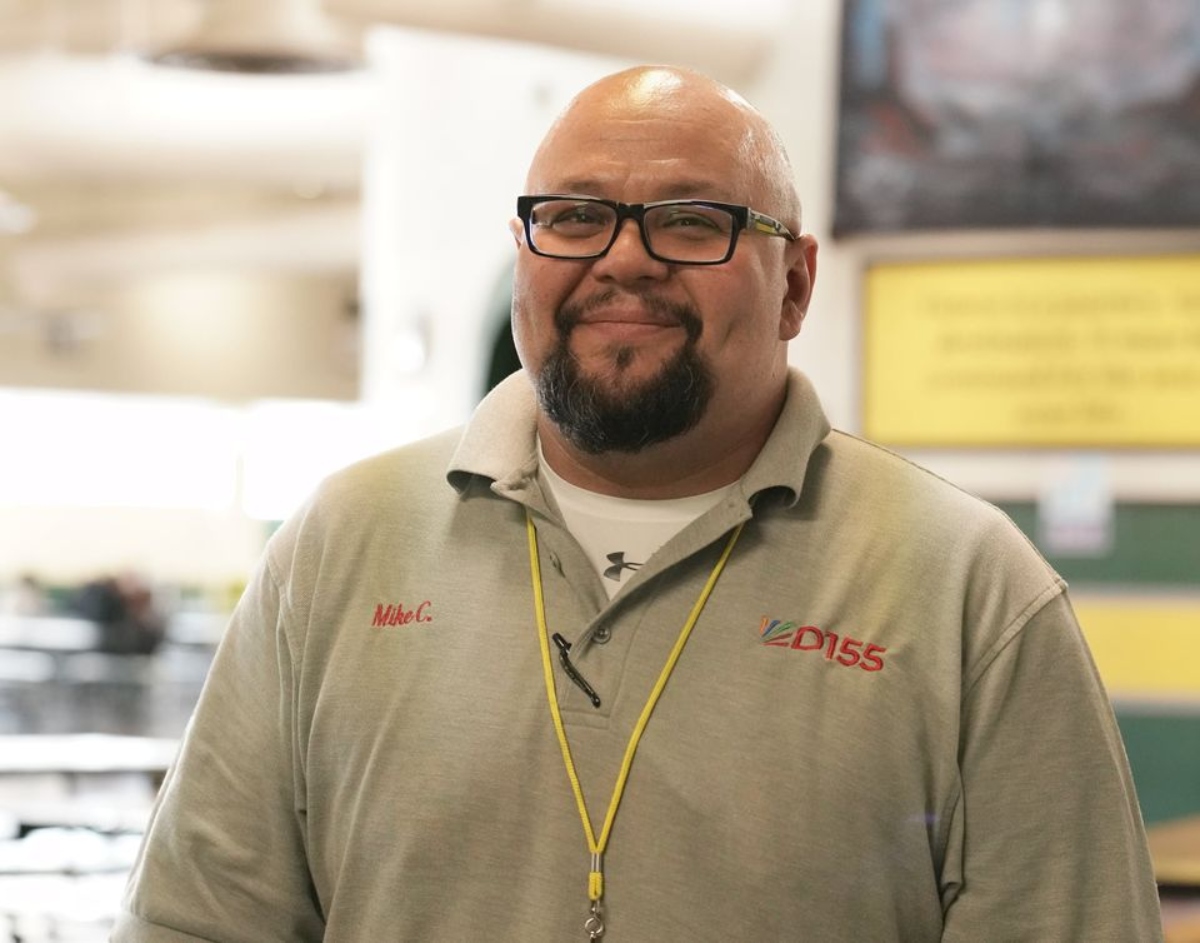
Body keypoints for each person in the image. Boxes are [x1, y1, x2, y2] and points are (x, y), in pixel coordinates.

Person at [113, 66, 1163, 942]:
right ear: (526, 252)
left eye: (691, 222)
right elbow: (200, 920)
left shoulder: (970, 590)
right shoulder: (343, 545)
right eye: (572, 217)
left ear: (794, 285)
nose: (622, 258)